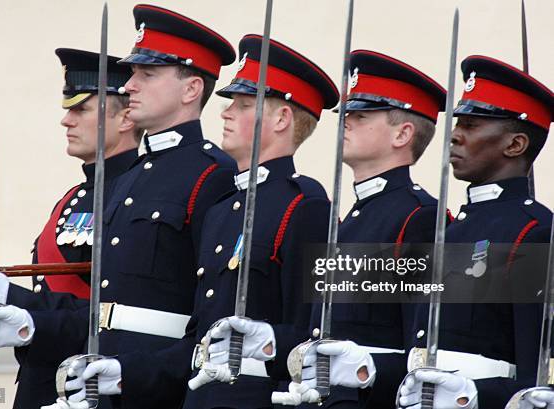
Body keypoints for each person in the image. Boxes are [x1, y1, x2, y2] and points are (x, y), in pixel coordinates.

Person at [64, 34, 339, 409]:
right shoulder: (225, 209)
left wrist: (271, 342)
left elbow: (317, 330)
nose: (224, 113)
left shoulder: (304, 205)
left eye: (242, 105)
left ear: (281, 118)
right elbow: (198, 337)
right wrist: (124, 373)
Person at [37, 4, 238, 409]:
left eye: (147, 74)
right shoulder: (128, 178)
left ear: (190, 90)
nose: (129, 86)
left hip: (158, 386)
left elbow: (211, 312)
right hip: (101, 376)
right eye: (132, 74)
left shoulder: (212, 173)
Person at [0, 47, 140, 409]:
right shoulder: (73, 198)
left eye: (81, 109)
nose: (67, 121)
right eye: (68, 110)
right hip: (43, 376)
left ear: (126, 117)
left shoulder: (139, 197)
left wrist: (14, 298)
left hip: (92, 381)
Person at [271, 49, 447, 408]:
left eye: (361, 115)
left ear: (403, 134)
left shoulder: (418, 218)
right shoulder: (351, 218)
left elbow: (422, 351)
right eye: (347, 114)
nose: (345, 122)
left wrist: (369, 368)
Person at [398, 55, 553, 408]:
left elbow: (539, 379)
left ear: (514, 145)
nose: (454, 136)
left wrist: (475, 396)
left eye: (470, 125)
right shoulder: (453, 228)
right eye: (458, 124)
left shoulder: (534, 233)